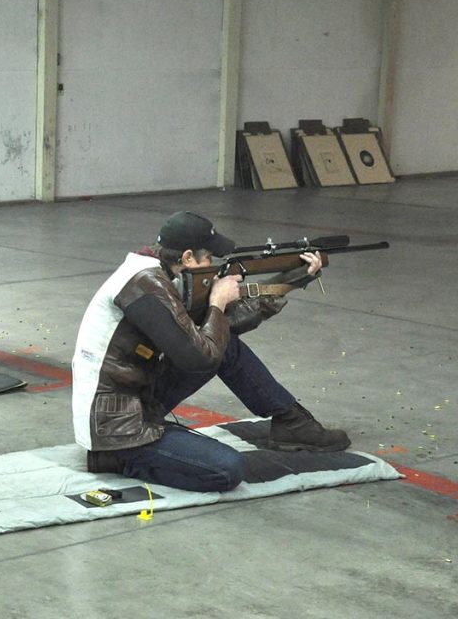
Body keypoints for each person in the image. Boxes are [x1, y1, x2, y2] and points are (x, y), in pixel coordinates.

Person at [71, 211, 350, 493]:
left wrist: (293, 278)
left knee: (224, 344)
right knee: (227, 469)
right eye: (209, 259)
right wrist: (216, 303)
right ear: (188, 257)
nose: (214, 267)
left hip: (136, 399)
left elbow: (220, 333)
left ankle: (292, 422)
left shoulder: (160, 275)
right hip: (115, 425)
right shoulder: (146, 285)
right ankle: (117, 458)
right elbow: (198, 358)